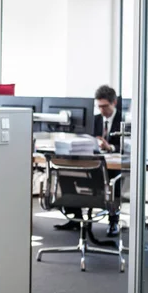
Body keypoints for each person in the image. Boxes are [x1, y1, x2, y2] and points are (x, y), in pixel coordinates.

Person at [54, 85, 122, 237]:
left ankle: (113, 221)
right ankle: (75, 217)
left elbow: (129, 145)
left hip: (114, 164)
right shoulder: (95, 120)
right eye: (99, 107)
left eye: (105, 106)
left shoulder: (123, 120)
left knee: (112, 176)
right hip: (93, 161)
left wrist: (109, 146)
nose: (102, 110)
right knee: (68, 172)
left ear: (114, 103)